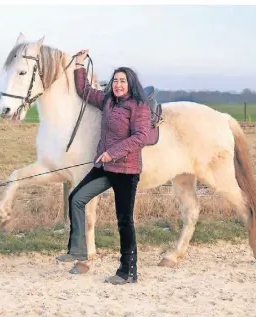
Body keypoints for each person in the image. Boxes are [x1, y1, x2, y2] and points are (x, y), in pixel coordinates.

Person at [56, 49, 151, 285]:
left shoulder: (138, 106)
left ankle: (128, 271)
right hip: (104, 167)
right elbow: (85, 91)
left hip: (126, 171)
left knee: (124, 221)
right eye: (115, 81)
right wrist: (79, 65)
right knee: (76, 198)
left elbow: (141, 136)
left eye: (123, 81)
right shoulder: (108, 101)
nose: (118, 85)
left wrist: (113, 152)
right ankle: (78, 250)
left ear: (131, 84)